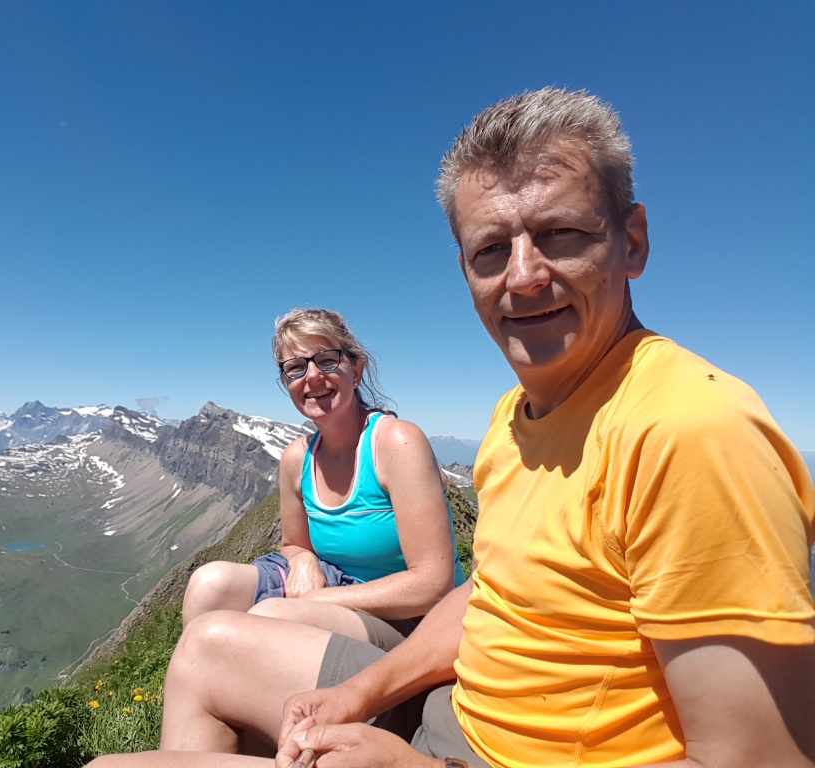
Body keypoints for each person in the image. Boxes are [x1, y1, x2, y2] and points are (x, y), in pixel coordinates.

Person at [86, 88, 815, 768]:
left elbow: (760, 759)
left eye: (561, 234)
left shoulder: (689, 433)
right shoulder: (513, 417)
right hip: (455, 708)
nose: (523, 276)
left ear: (633, 242)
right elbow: (486, 595)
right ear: (465, 269)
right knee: (207, 646)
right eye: (491, 249)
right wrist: (359, 694)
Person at [180, 307, 466, 650]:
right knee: (208, 585)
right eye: (295, 368)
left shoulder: (396, 443)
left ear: (356, 370)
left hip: (418, 618)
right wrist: (303, 560)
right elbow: (294, 543)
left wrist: (314, 601)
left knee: (276, 616)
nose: (313, 377)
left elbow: (433, 585)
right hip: (336, 586)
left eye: (327, 360)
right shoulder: (296, 458)